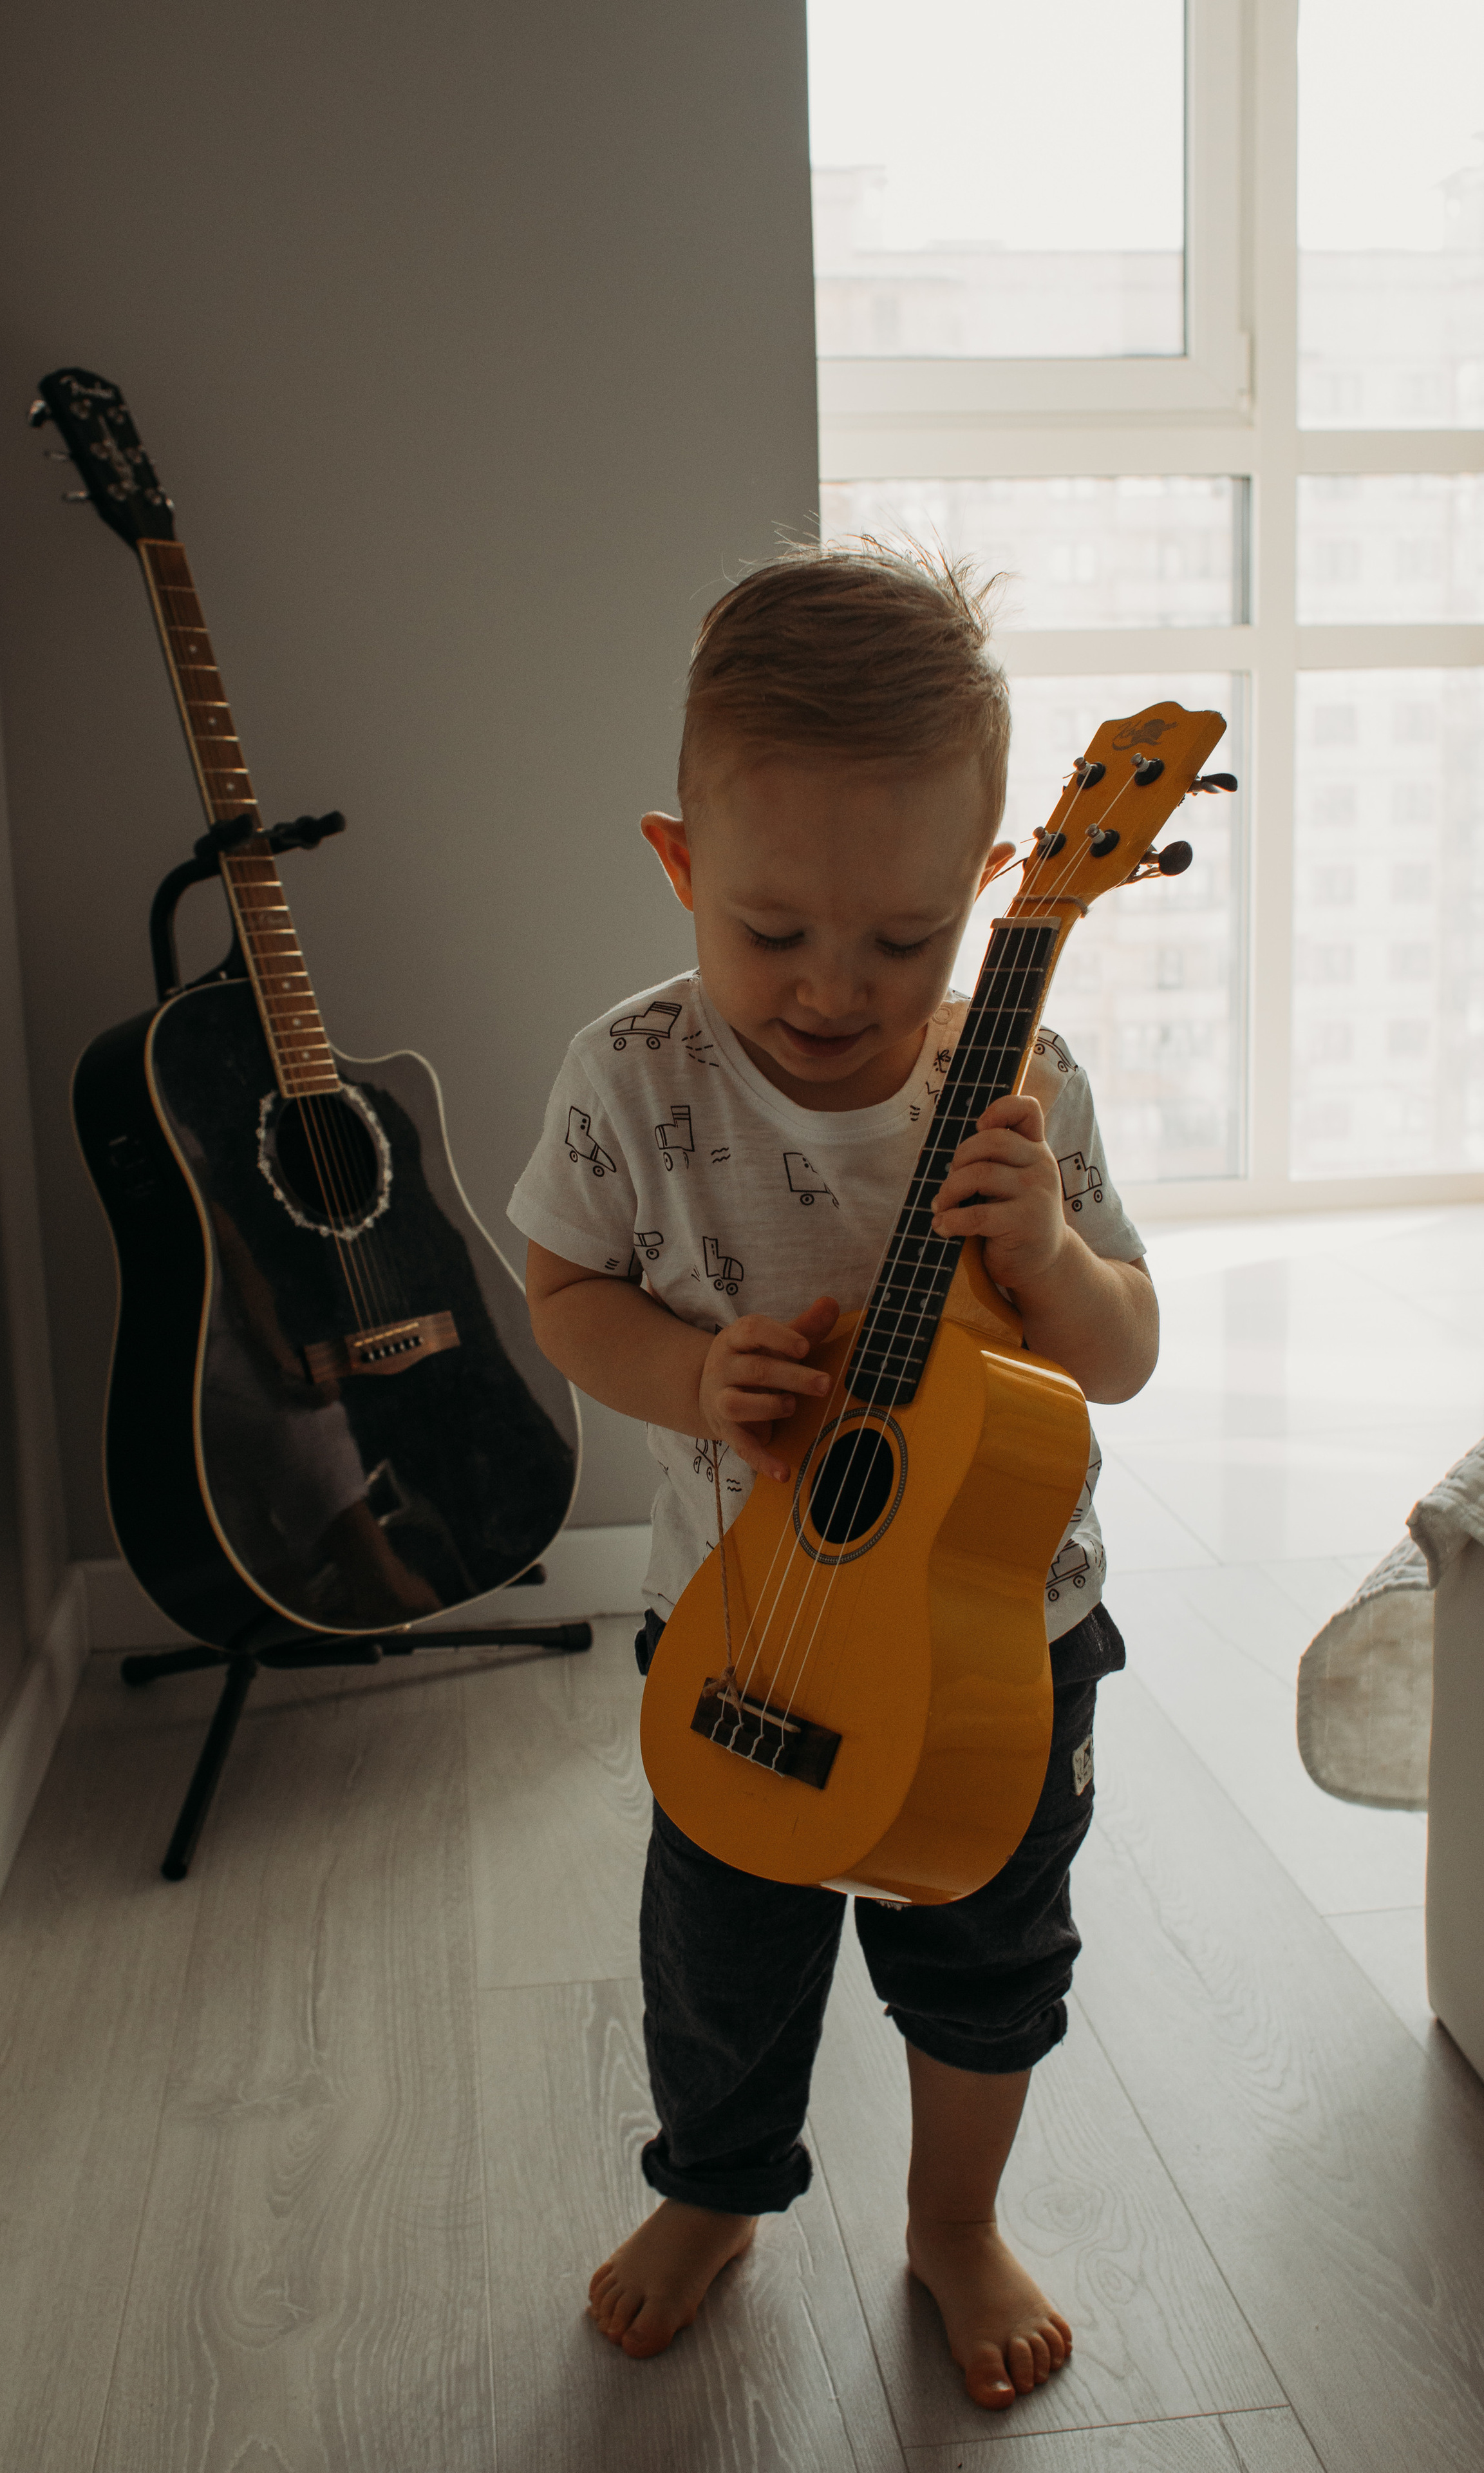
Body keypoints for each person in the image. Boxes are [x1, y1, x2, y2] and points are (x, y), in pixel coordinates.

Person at [506, 542, 1158, 2411]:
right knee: (722, 1957)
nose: (830, 989)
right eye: (775, 931)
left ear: (993, 885)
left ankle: (955, 2221)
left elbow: (1120, 1353)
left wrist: (1049, 1253)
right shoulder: (632, 1076)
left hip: (1004, 1644)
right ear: (680, 862)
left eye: (900, 940)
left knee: (988, 1961)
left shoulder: (1023, 1086)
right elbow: (564, 1290)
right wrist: (690, 1376)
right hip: (750, 1632)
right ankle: (715, 2189)